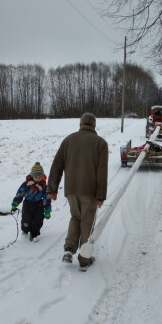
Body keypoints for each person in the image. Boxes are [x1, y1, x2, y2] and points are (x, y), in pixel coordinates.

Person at [47, 112, 108, 269]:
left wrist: (52, 188)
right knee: (87, 221)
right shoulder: (100, 143)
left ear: (80, 125)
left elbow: (57, 165)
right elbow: (102, 172)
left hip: (71, 189)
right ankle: (84, 258)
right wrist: (101, 195)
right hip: (90, 191)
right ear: (94, 126)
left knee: (75, 217)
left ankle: (69, 249)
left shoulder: (68, 140)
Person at [11, 162, 52, 241]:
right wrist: (15, 203)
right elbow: (20, 194)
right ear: (32, 176)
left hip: (39, 205)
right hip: (27, 204)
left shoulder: (44, 187)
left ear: (42, 176)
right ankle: (25, 231)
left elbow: (47, 199)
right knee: (26, 219)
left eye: (39, 176)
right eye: (35, 176)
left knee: (38, 220)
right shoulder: (26, 185)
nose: (37, 178)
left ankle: (34, 234)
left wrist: (47, 210)